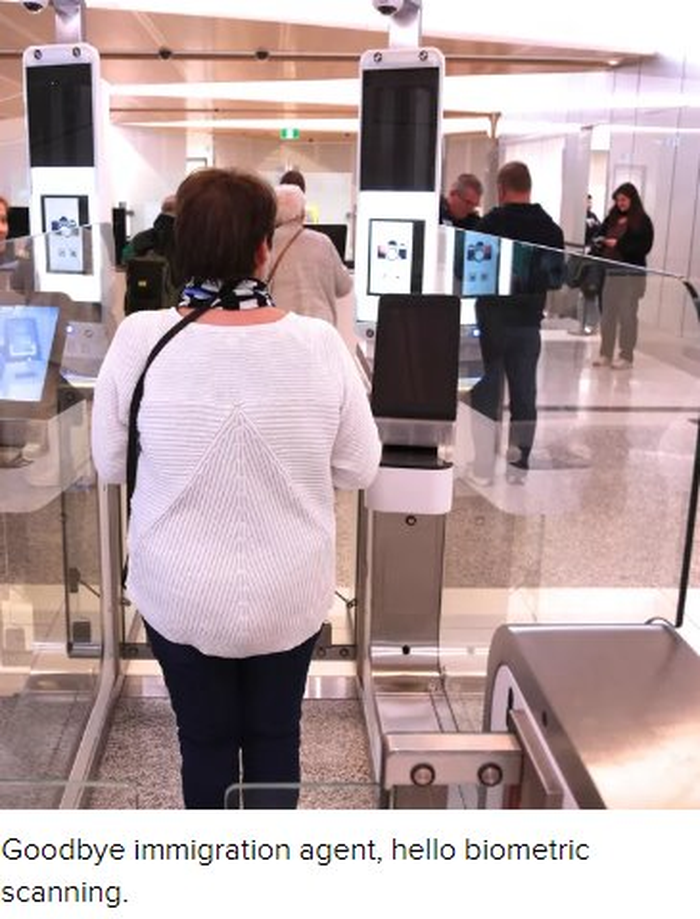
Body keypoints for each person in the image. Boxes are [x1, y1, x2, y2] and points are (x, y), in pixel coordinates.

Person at [91, 167, 381, 809]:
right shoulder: (317, 343)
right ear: (262, 249)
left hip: (178, 592)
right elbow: (360, 467)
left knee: (203, 741)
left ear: (181, 247)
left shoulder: (140, 339)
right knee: (276, 735)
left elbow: (110, 463)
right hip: (290, 591)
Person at [468, 161, 564, 483]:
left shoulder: (488, 224)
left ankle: (483, 468)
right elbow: (556, 279)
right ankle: (518, 468)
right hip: (527, 323)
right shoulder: (550, 229)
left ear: (501, 189)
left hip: (492, 321)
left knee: (486, 396)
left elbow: (467, 271)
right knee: (524, 395)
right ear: (528, 187)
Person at [266, 183, 352, 327]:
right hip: (321, 329)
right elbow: (344, 287)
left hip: (285, 328)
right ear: (302, 214)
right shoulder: (323, 242)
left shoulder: (266, 245)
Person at [592, 182, 654, 370]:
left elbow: (643, 247)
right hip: (610, 273)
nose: (620, 203)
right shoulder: (611, 217)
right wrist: (600, 242)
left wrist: (618, 245)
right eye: (618, 200)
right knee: (607, 315)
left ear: (632, 200)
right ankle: (605, 353)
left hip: (630, 275)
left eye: (624, 200)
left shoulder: (642, 221)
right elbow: (599, 235)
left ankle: (626, 356)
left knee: (627, 316)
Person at [122, 194, 179, 313]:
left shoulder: (141, 238)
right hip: (171, 311)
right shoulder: (186, 240)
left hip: (139, 308)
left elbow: (125, 259)